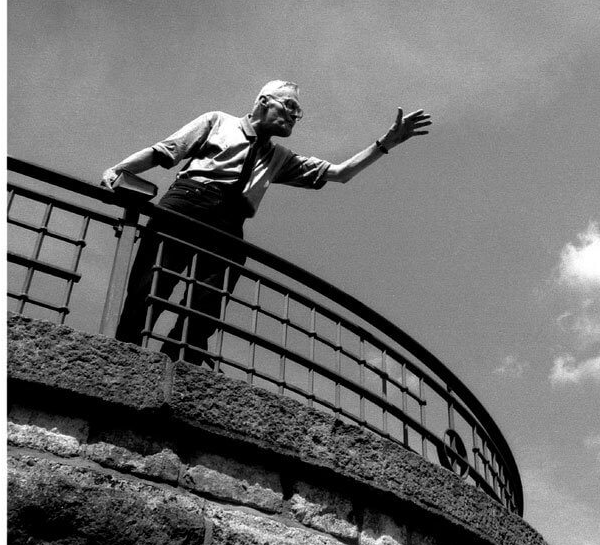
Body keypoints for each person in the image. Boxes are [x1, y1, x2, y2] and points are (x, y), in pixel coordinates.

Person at [101, 80, 431, 366]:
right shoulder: (217, 122)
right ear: (263, 102)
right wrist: (118, 170)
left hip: (230, 222)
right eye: (289, 106)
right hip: (188, 200)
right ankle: (123, 357)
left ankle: (180, 364)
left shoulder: (279, 158)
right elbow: (164, 151)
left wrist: (385, 144)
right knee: (149, 285)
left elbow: (340, 173)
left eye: (298, 112)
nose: (294, 116)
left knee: (205, 305)